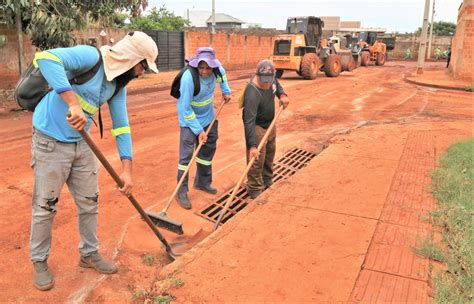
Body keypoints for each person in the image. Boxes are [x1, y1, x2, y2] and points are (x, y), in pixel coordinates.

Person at [29, 31, 158, 291]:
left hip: (82, 144)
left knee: (90, 202)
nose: (142, 73)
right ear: (131, 59)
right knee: (46, 206)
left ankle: (89, 253)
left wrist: (127, 170)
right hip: (50, 140)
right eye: (143, 66)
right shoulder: (91, 58)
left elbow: (121, 127)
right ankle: (39, 260)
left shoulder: (117, 85)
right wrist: (72, 103)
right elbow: (45, 58)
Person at [175, 47, 231, 209]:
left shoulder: (217, 70)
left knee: (206, 151)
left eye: (208, 67)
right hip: (189, 120)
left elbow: (223, 77)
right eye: (201, 67)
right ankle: (181, 191)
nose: (205, 71)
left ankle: (203, 182)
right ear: (196, 64)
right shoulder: (188, 78)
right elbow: (185, 109)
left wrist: (226, 91)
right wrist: (199, 130)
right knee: (186, 157)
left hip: (208, 116)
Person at [241, 60, 290, 199]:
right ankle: (254, 188)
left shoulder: (271, 78)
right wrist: (252, 146)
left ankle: (267, 179)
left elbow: (277, 86)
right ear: (258, 75)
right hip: (257, 126)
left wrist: (282, 95)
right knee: (257, 159)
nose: (267, 83)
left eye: (270, 80)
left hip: (270, 123)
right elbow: (248, 122)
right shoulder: (252, 93)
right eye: (264, 81)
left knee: (270, 153)